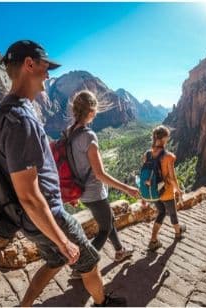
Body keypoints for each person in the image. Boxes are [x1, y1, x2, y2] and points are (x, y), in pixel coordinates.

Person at [0, 40, 124, 307]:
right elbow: (29, 195)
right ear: (29, 64)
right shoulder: (21, 120)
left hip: (29, 217)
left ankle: (24, 305)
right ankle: (102, 303)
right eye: (45, 66)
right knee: (89, 259)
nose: (48, 74)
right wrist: (63, 240)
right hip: (49, 214)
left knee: (54, 261)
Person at [68, 90, 139, 278]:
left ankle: (119, 251)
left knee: (109, 221)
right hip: (94, 192)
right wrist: (127, 188)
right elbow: (99, 174)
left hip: (82, 190)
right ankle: (81, 266)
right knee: (104, 229)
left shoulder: (70, 132)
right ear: (91, 111)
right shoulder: (89, 136)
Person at [147, 125, 186, 251]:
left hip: (153, 191)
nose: (168, 138)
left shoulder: (147, 154)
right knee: (173, 213)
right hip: (166, 192)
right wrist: (179, 191)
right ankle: (178, 233)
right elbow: (172, 178)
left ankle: (153, 240)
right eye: (167, 136)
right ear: (164, 138)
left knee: (162, 212)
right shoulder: (169, 156)